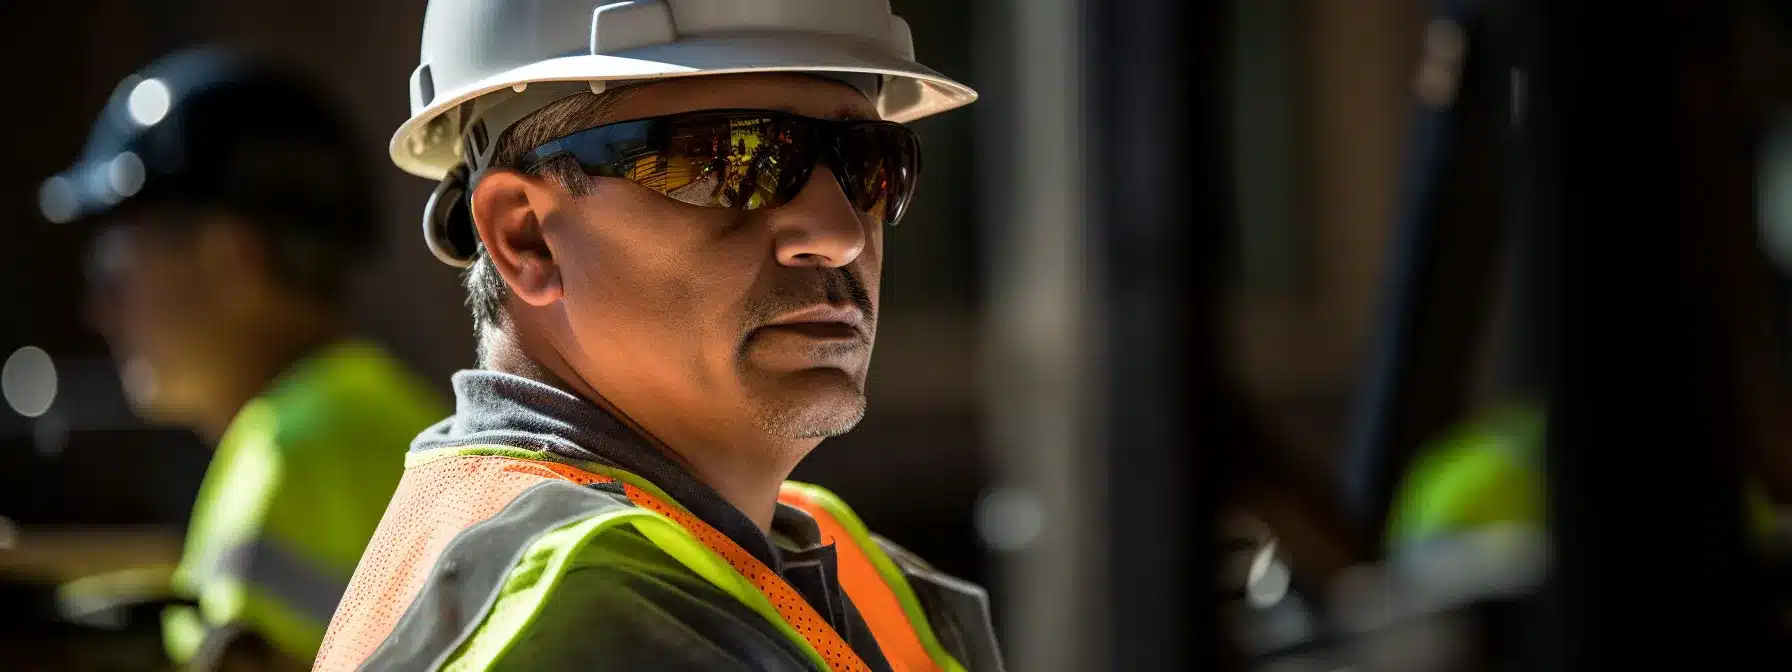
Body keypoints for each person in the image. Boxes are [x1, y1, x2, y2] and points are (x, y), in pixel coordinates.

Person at [314, 1, 1000, 670]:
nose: (840, 233)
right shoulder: (568, 610)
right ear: (527, 237)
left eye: (870, 164)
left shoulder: (807, 559)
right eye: (728, 162)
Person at [41, 49, 446, 669]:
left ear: (231, 259)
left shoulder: (295, 447)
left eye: (116, 276)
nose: (100, 312)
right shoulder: (361, 413)